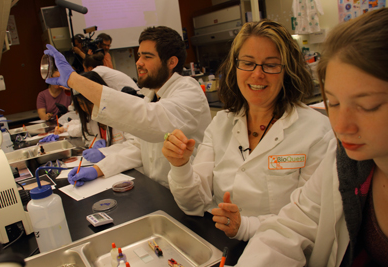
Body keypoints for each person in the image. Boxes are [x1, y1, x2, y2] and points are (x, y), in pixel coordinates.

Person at [235, 8, 388, 266]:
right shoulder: (344, 163)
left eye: (368, 106)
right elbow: (292, 226)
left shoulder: (319, 135)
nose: (341, 126)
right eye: (334, 103)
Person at [162, 19, 334, 242]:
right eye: (248, 63)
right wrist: (180, 166)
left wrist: (245, 227)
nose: (257, 74)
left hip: (284, 251)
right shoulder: (221, 123)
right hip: (223, 245)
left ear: (287, 70)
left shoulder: (316, 132)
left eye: (270, 65)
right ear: (235, 67)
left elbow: (310, 219)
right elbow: (194, 205)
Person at [44, 26, 212, 188]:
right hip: (159, 192)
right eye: (139, 56)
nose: (138, 62)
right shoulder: (151, 96)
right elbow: (138, 147)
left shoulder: (189, 90)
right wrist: (98, 169)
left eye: (147, 57)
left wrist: (74, 80)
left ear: (171, 62)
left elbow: (152, 120)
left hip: (192, 195)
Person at [55, 71, 131, 152]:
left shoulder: (122, 114)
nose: (85, 108)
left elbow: (135, 146)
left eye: (88, 102)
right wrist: (95, 141)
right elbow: (87, 134)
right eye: (81, 103)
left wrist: (105, 153)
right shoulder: (90, 117)